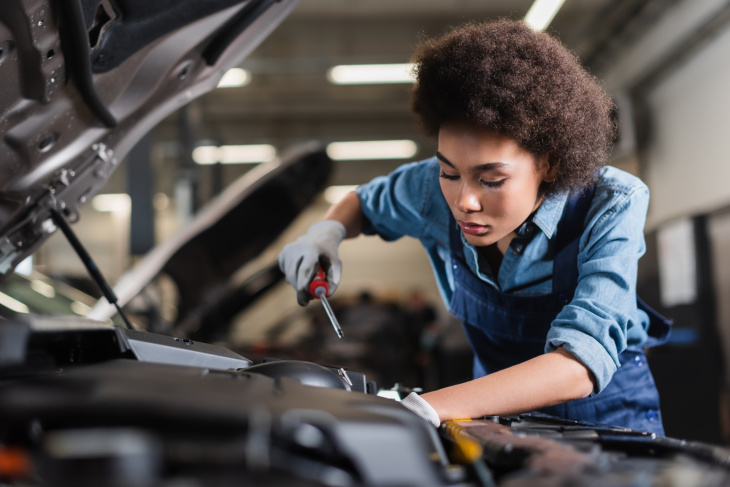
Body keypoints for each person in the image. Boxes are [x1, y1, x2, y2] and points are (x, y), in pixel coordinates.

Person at [278, 20, 670, 435]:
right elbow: (362, 202)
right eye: (450, 172)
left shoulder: (610, 203)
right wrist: (325, 234)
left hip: (606, 421)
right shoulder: (428, 189)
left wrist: (425, 407)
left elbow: (578, 366)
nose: (464, 201)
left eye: (492, 180)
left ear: (550, 163)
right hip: (494, 418)